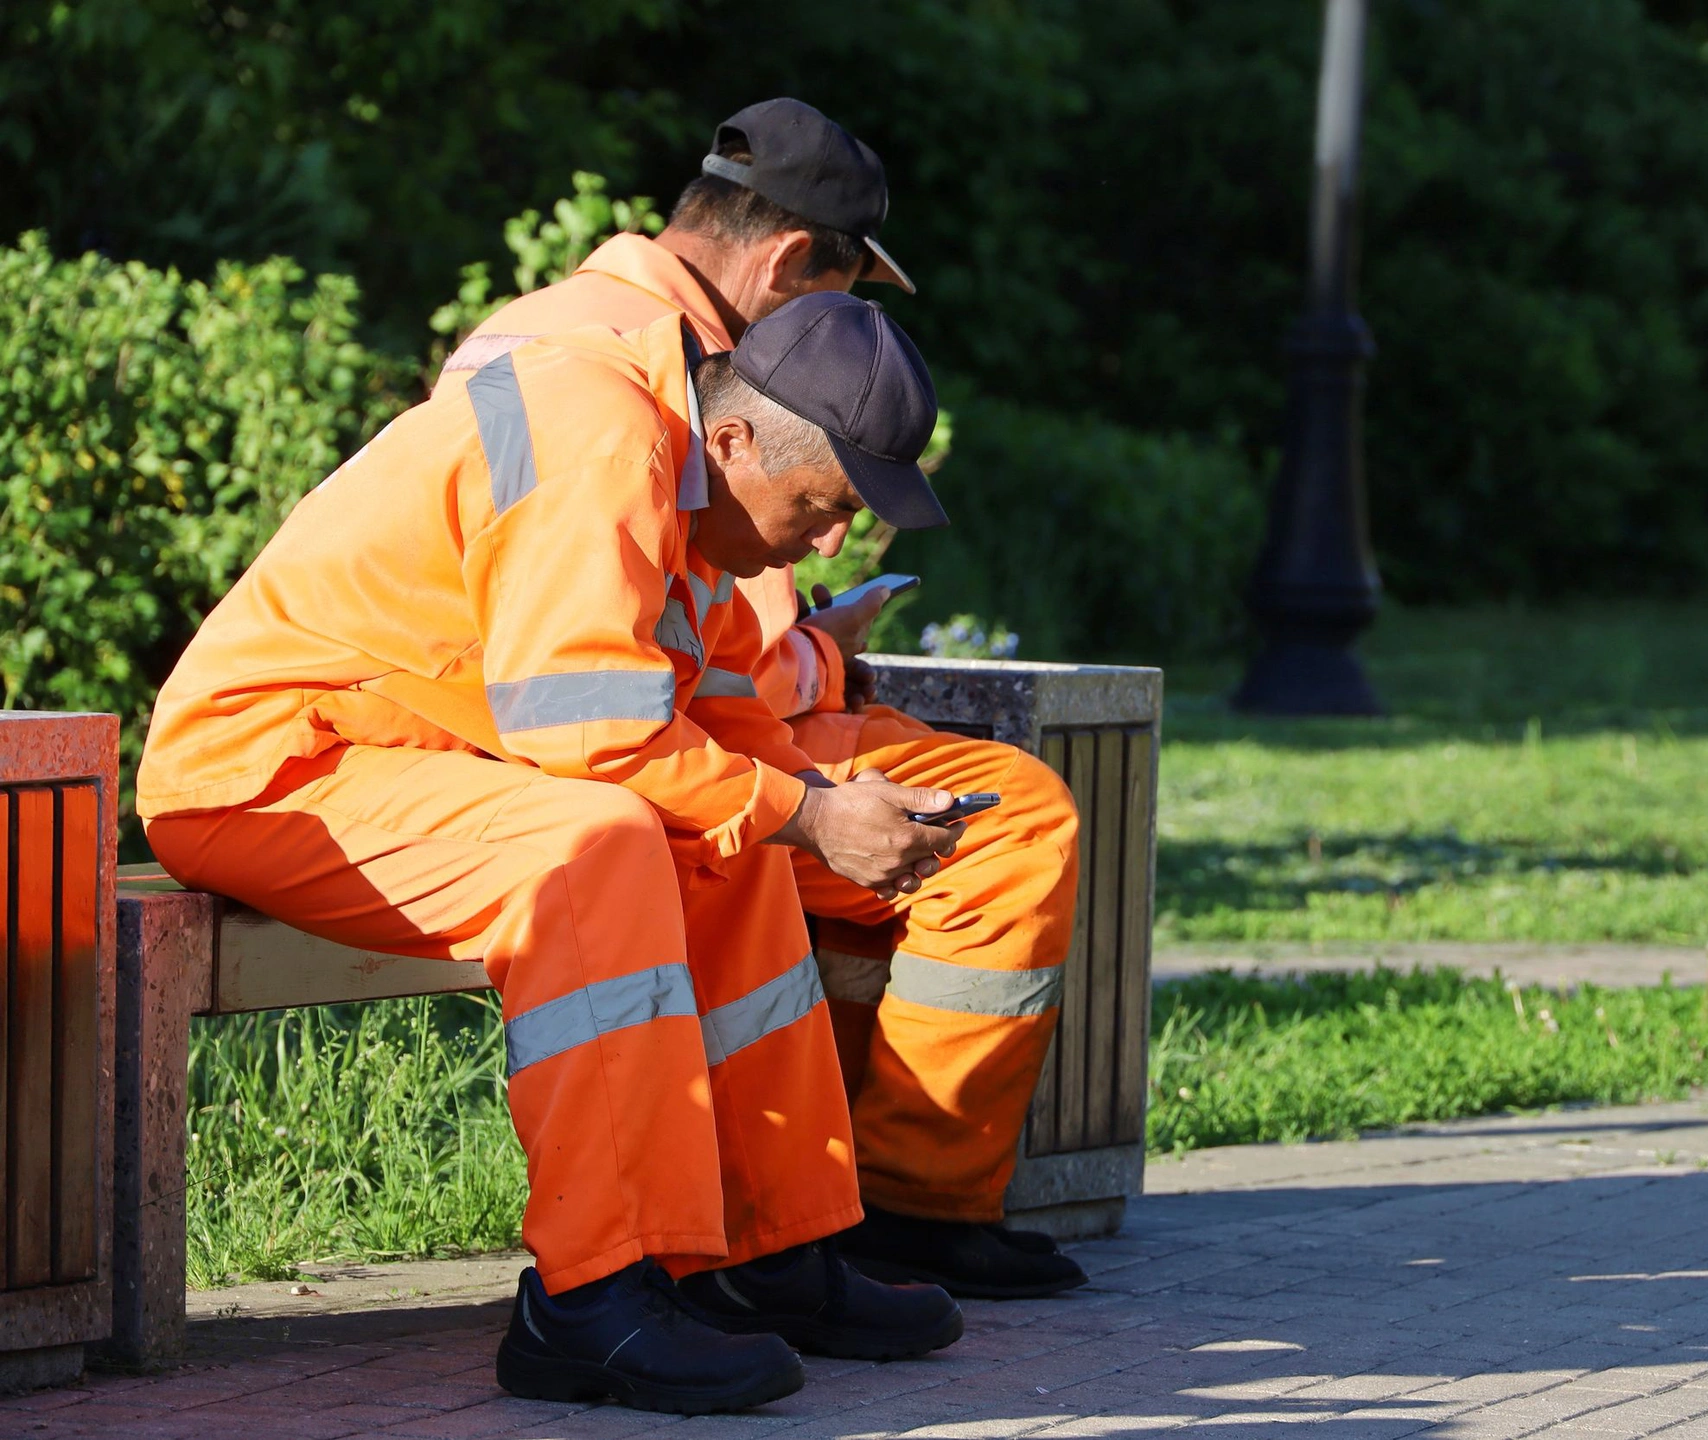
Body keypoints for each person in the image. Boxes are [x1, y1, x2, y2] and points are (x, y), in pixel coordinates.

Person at [138, 294, 969, 1413]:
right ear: (733, 442)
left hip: (397, 761)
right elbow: (591, 739)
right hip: (266, 772)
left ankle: (766, 1252)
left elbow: (719, 708)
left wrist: (820, 797)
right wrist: (815, 817)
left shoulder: (683, 468)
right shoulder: (605, 444)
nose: (826, 547)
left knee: (733, 843)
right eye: (820, 509)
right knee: (598, 845)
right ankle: (591, 1304)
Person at [441, 97, 1085, 1298]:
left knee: (901, 831)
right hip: (586, 758)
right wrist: (818, 729)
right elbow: (678, 659)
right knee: (983, 831)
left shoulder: (566, 336)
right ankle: (830, 1222)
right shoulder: (642, 381)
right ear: (790, 261)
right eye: (835, 303)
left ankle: (790, 1231)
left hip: (630, 737)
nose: (833, 341)